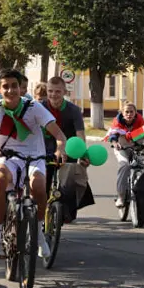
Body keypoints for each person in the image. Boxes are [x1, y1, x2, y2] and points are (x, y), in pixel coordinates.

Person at [0, 69, 68, 260]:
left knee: (39, 186)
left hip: (34, 156)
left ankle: (39, 236)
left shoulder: (34, 107)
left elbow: (59, 135)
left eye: (14, 86)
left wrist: (60, 150)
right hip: (6, 157)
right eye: (5, 86)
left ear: (21, 88)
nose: (10, 90)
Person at [42, 76, 92, 223]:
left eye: (57, 91)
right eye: (50, 91)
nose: (53, 95)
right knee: (41, 185)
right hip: (44, 151)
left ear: (64, 92)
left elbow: (80, 134)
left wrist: (83, 155)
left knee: (69, 184)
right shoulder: (40, 107)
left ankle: (65, 211)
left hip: (68, 151)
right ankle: (39, 215)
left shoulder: (73, 110)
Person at [106, 101, 144, 209]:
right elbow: (113, 136)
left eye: (131, 112)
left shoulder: (140, 120)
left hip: (136, 147)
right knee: (124, 165)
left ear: (135, 113)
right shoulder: (117, 121)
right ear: (122, 113)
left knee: (142, 166)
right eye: (126, 112)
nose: (129, 114)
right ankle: (121, 196)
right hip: (122, 148)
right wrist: (115, 144)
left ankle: (143, 194)